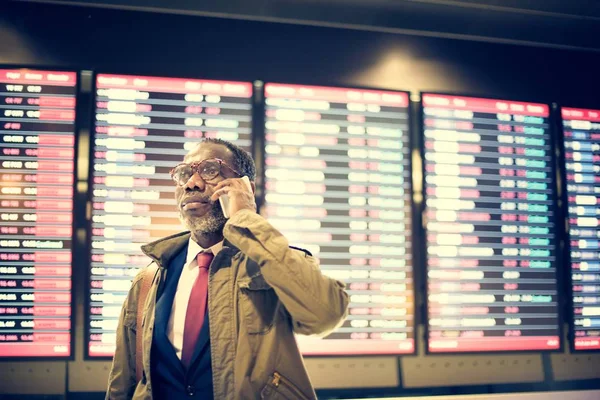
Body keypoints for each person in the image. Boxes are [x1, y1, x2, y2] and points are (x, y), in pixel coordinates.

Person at [106, 138, 349, 399]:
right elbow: (123, 381)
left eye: (210, 171)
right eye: (185, 174)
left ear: (245, 187)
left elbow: (325, 314)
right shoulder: (148, 279)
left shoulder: (272, 265)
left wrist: (245, 217)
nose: (192, 183)